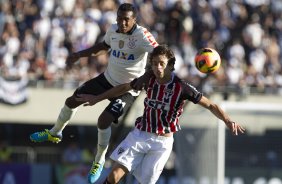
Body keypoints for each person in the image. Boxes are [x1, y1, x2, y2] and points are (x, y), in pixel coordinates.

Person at [75, 45, 245, 184]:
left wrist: (227, 120)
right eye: (155, 63)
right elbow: (123, 88)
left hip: (162, 144)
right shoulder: (147, 79)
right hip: (140, 135)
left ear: (171, 65)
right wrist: (97, 98)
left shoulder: (182, 87)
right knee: (113, 177)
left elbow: (211, 105)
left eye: (162, 64)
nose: (157, 68)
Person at [29, 3, 158, 184]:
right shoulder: (113, 30)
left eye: (126, 19)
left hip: (128, 89)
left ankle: (99, 160)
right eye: (119, 18)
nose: (122, 22)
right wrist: (80, 54)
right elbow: (103, 46)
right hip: (107, 80)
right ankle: (55, 132)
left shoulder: (143, 36)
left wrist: (147, 75)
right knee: (72, 100)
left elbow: (161, 54)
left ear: (134, 20)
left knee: (103, 120)